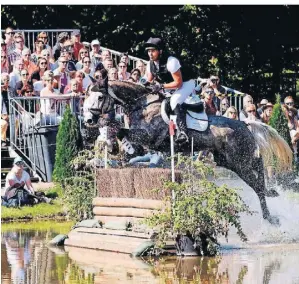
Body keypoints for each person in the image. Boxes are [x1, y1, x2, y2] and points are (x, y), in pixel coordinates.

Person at [145, 37, 193, 143]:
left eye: (153, 51)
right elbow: (148, 81)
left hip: (186, 84)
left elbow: (178, 83)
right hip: (169, 86)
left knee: (174, 101)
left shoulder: (171, 61)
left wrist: (161, 86)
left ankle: (183, 132)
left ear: (160, 51)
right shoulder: (150, 64)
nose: (150, 54)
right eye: (149, 51)